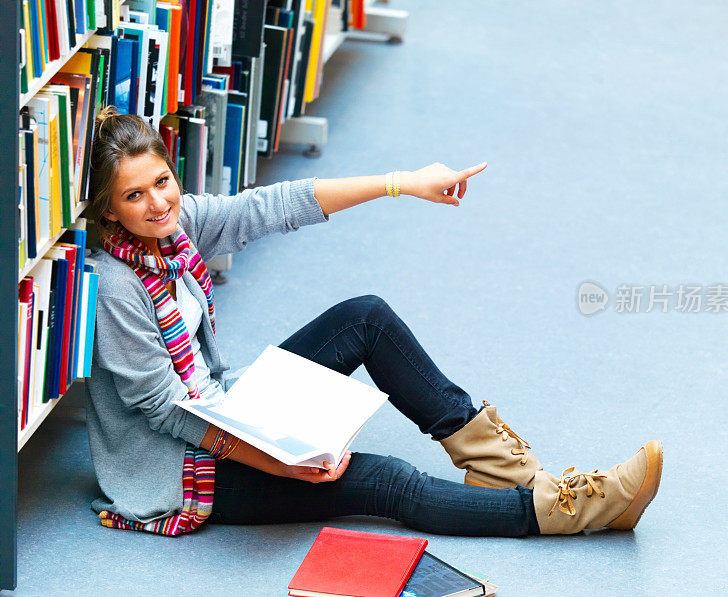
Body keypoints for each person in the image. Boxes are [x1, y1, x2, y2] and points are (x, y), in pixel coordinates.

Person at [83, 106, 663, 538]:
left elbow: (276, 204)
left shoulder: (175, 230)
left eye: (162, 182)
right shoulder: (115, 287)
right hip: (182, 469)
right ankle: (574, 507)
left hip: (224, 408)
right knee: (384, 481)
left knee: (367, 317)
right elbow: (167, 413)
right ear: (109, 209)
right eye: (135, 195)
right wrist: (281, 461)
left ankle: (503, 470)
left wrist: (401, 183)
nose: (158, 203)